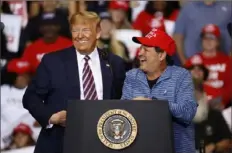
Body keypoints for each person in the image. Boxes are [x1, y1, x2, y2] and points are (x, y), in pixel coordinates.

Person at [22, 11, 126, 153]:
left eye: (85, 30)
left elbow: (121, 100)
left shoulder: (115, 63)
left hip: (102, 142)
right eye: (75, 30)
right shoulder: (52, 61)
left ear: (98, 32)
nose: (79, 35)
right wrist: (51, 117)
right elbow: (30, 98)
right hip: (60, 141)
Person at [121, 28, 198, 153]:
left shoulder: (181, 76)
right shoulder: (132, 76)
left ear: (161, 55)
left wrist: (153, 104)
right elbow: (123, 112)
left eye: (145, 49)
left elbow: (188, 113)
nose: (139, 53)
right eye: (140, 48)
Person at [185, 24, 232, 109]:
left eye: (212, 38)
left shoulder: (227, 61)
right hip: (198, 104)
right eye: (205, 38)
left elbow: (230, 87)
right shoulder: (192, 61)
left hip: (221, 105)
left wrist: (222, 101)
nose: (208, 41)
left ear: (218, 41)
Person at [173, 0, 232, 65]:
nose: (208, 40)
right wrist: (185, 63)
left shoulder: (229, 7)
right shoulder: (188, 8)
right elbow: (177, 37)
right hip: (193, 65)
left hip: (223, 62)